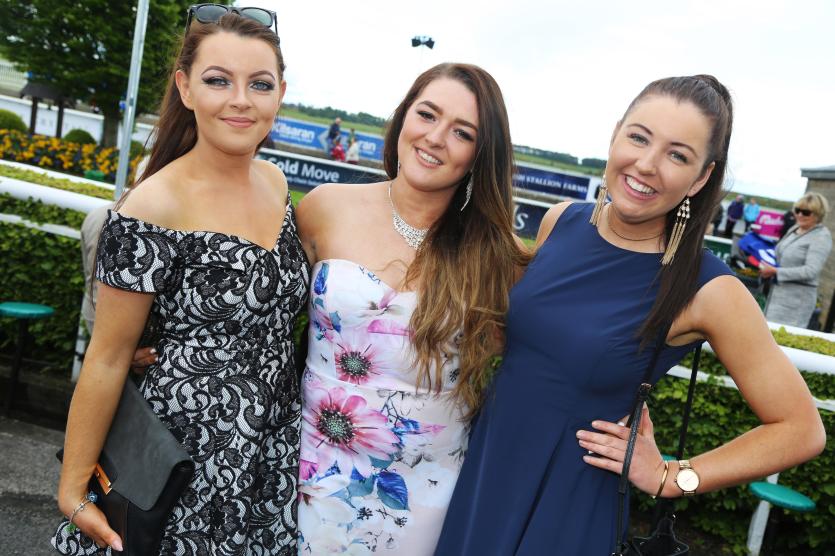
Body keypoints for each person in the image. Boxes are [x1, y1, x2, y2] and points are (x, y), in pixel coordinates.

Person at [435, 75, 825, 555]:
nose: (646, 164)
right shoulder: (561, 221)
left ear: (701, 178)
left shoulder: (709, 288)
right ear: (615, 134)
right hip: (483, 473)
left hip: (566, 505)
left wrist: (671, 476)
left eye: (677, 155)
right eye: (639, 138)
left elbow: (801, 429)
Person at [54, 10, 308, 555]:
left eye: (260, 84)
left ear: (280, 95)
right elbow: (107, 356)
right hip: (179, 463)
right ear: (185, 87)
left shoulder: (276, 183)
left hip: (267, 456)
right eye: (218, 80)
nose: (240, 100)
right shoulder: (153, 205)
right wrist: (72, 488)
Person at [295, 63, 528, 555]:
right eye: (427, 114)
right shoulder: (325, 207)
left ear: (480, 156)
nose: (436, 137)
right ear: (403, 116)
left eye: (462, 132)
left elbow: (542, 360)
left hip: (426, 497)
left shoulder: (499, 258)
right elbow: (261, 308)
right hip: (310, 472)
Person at [760, 193, 833, 328]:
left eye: (806, 212)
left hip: (796, 301)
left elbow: (811, 271)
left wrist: (776, 271)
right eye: (797, 210)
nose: (799, 215)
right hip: (776, 295)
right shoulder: (795, 228)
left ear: (818, 214)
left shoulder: (821, 237)